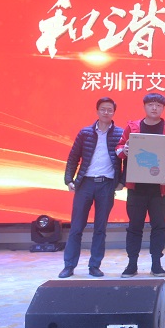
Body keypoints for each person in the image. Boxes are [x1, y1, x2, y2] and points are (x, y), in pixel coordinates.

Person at [116, 93, 165, 278]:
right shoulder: (133, 127)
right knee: (134, 226)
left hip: (160, 189)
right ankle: (131, 264)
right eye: (151, 104)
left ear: (163, 108)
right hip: (136, 188)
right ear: (144, 106)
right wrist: (125, 150)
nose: (154, 108)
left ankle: (156, 264)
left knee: (159, 226)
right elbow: (119, 149)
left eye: (158, 105)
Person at [58, 97, 124, 278]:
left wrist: (122, 181)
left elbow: (126, 160)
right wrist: (68, 179)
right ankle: (69, 266)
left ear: (114, 112)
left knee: (100, 228)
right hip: (85, 184)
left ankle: (94, 266)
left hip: (107, 185)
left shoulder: (120, 134)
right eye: (103, 109)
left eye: (109, 110)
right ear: (97, 111)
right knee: (76, 227)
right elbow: (73, 157)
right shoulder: (85, 133)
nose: (106, 112)